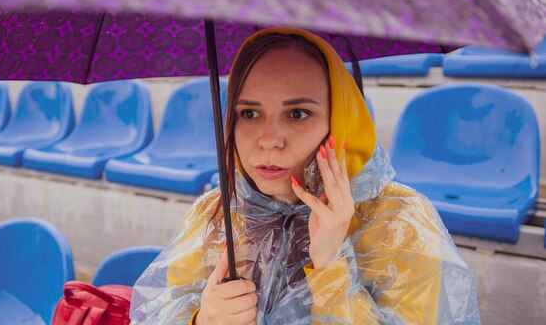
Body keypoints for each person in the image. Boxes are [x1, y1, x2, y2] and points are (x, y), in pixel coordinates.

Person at [129, 27, 480, 324]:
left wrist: (331, 266)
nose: (269, 141)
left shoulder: (399, 221)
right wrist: (201, 319)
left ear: (339, 122)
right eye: (249, 113)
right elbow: (159, 308)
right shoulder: (217, 210)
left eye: (297, 113)